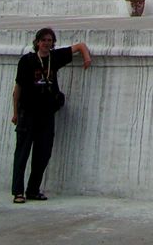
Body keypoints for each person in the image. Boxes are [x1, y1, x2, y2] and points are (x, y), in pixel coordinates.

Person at [11, 27, 92, 203]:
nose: (47, 43)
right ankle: (18, 191)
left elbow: (80, 46)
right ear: (37, 42)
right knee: (22, 153)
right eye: (44, 40)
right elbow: (18, 88)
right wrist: (15, 112)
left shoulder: (54, 59)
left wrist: (86, 57)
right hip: (28, 113)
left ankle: (33, 189)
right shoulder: (27, 61)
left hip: (46, 114)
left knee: (43, 153)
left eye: (50, 40)